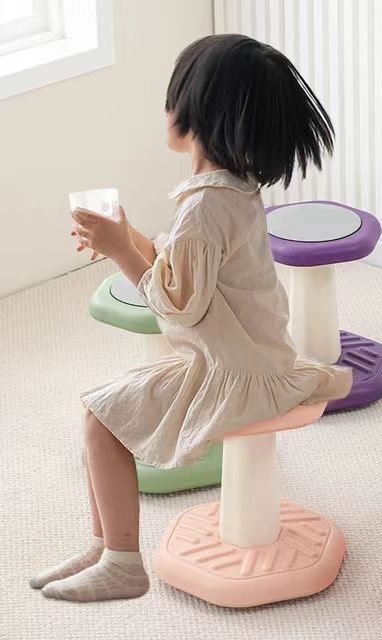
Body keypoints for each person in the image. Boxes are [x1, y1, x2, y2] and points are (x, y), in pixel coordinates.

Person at [30, 34, 352, 602]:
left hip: (235, 373)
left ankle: (121, 561)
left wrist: (119, 250)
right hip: (249, 357)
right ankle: (105, 548)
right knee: (100, 412)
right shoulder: (230, 189)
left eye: (171, 98)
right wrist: (126, 234)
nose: (165, 110)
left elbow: (177, 304)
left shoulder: (205, 206)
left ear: (199, 113)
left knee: (101, 421)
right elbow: (185, 270)